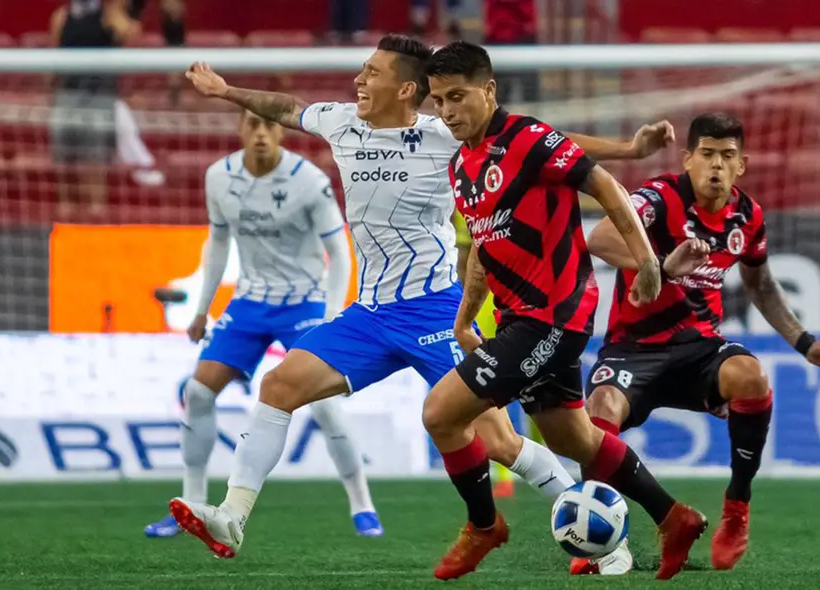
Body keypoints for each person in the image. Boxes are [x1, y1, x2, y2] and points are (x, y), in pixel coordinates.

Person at [170, 34, 669, 567]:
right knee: (279, 386)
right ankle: (234, 515)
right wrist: (226, 92)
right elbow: (287, 108)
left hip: (432, 309)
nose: (360, 80)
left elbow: (547, 143)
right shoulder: (340, 122)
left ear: (407, 88)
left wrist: (629, 150)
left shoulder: (443, 133)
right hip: (370, 313)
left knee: (498, 441)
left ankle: (605, 543)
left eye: (372, 72)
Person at [422, 40, 706, 581]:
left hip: (553, 313)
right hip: (516, 318)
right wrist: (465, 316)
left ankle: (484, 526)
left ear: (489, 90)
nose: (447, 110)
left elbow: (605, 185)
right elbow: (485, 243)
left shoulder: (527, 138)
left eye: (457, 96)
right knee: (573, 440)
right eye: (438, 100)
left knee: (441, 413)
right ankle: (674, 517)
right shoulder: (462, 165)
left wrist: (646, 259)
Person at [582, 113, 820, 573]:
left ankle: (736, 508)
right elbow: (601, 238)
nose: (716, 166)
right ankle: (605, 543)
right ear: (688, 159)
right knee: (599, 414)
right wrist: (659, 264)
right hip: (633, 346)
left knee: (751, 376)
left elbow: (760, 286)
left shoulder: (747, 216)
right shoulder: (658, 197)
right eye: (708, 155)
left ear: (743, 165)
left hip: (698, 347)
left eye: (727, 157)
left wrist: (805, 342)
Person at [144, 109, 382, 538]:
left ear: (280, 131)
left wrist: (329, 317)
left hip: (304, 301)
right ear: (240, 129)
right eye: (252, 125)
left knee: (324, 404)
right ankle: (192, 505)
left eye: (269, 125)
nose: (260, 134)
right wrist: (201, 309)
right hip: (250, 302)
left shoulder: (309, 180)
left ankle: (361, 503)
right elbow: (217, 244)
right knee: (198, 392)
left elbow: (341, 253)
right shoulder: (218, 176)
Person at [48, 0, 139, 216]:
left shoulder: (108, 15)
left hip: (99, 99)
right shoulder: (62, 16)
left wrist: (119, 13)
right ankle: (66, 211)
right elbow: (52, 59)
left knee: (95, 161)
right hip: (67, 97)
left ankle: (96, 211)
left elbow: (132, 35)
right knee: (64, 160)